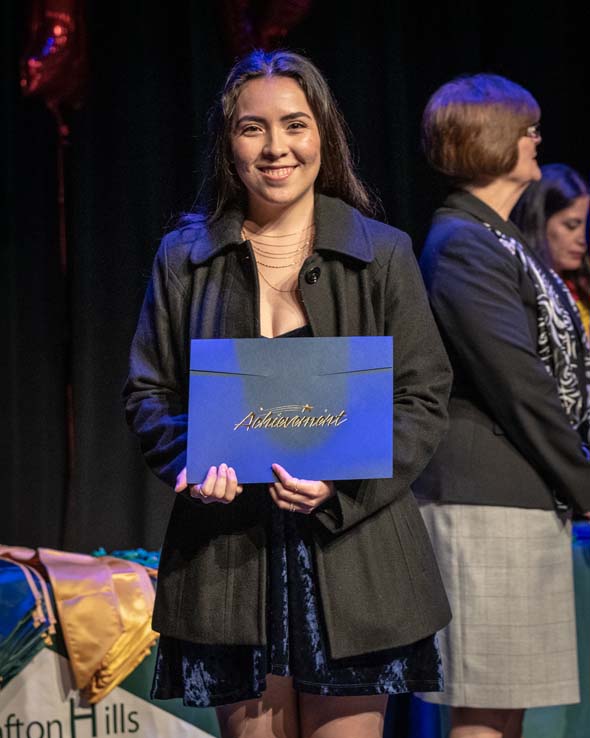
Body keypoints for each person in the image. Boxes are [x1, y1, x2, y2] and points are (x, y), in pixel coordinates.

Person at [123, 50, 453, 738]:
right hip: (227, 562)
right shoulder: (185, 258)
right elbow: (149, 393)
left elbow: (423, 396)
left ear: (322, 135)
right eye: (253, 128)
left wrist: (343, 486)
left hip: (356, 556)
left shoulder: (382, 252)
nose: (276, 147)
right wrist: (190, 461)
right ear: (228, 142)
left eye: (294, 125)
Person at [414, 74, 590, 738]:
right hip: (482, 499)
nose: (536, 138)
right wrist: (585, 482)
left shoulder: (504, 240)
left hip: (521, 495)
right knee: (485, 710)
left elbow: (565, 369)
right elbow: (518, 381)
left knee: (505, 706)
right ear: (492, 140)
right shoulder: (462, 243)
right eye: (526, 127)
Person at [512, 163, 590, 336]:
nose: (582, 240)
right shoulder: (523, 289)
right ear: (539, 223)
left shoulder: (582, 280)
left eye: (586, 227)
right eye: (571, 226)